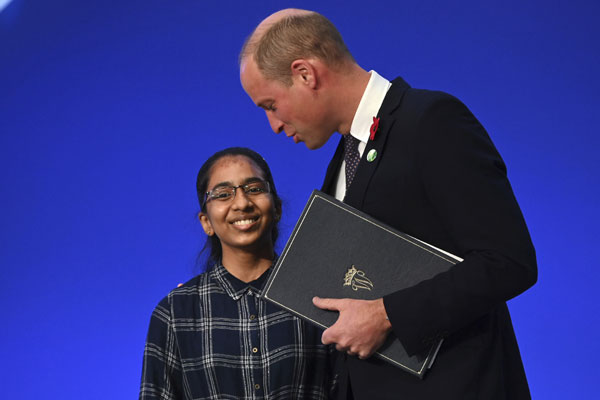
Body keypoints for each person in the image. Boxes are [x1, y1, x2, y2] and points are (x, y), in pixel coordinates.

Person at [239, 9, 537, 400]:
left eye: (270, 105)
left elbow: (508, 262)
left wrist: (387, 315)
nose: (273, 125)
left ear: (305, 74)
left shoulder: (432, 121)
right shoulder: (344, 157)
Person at [139, 147, 334, 399]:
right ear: (206, 222)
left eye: (254, 189)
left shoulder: (319, 297)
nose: (242, 203)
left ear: (277, 209)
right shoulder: (175, 312)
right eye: (223, 194)